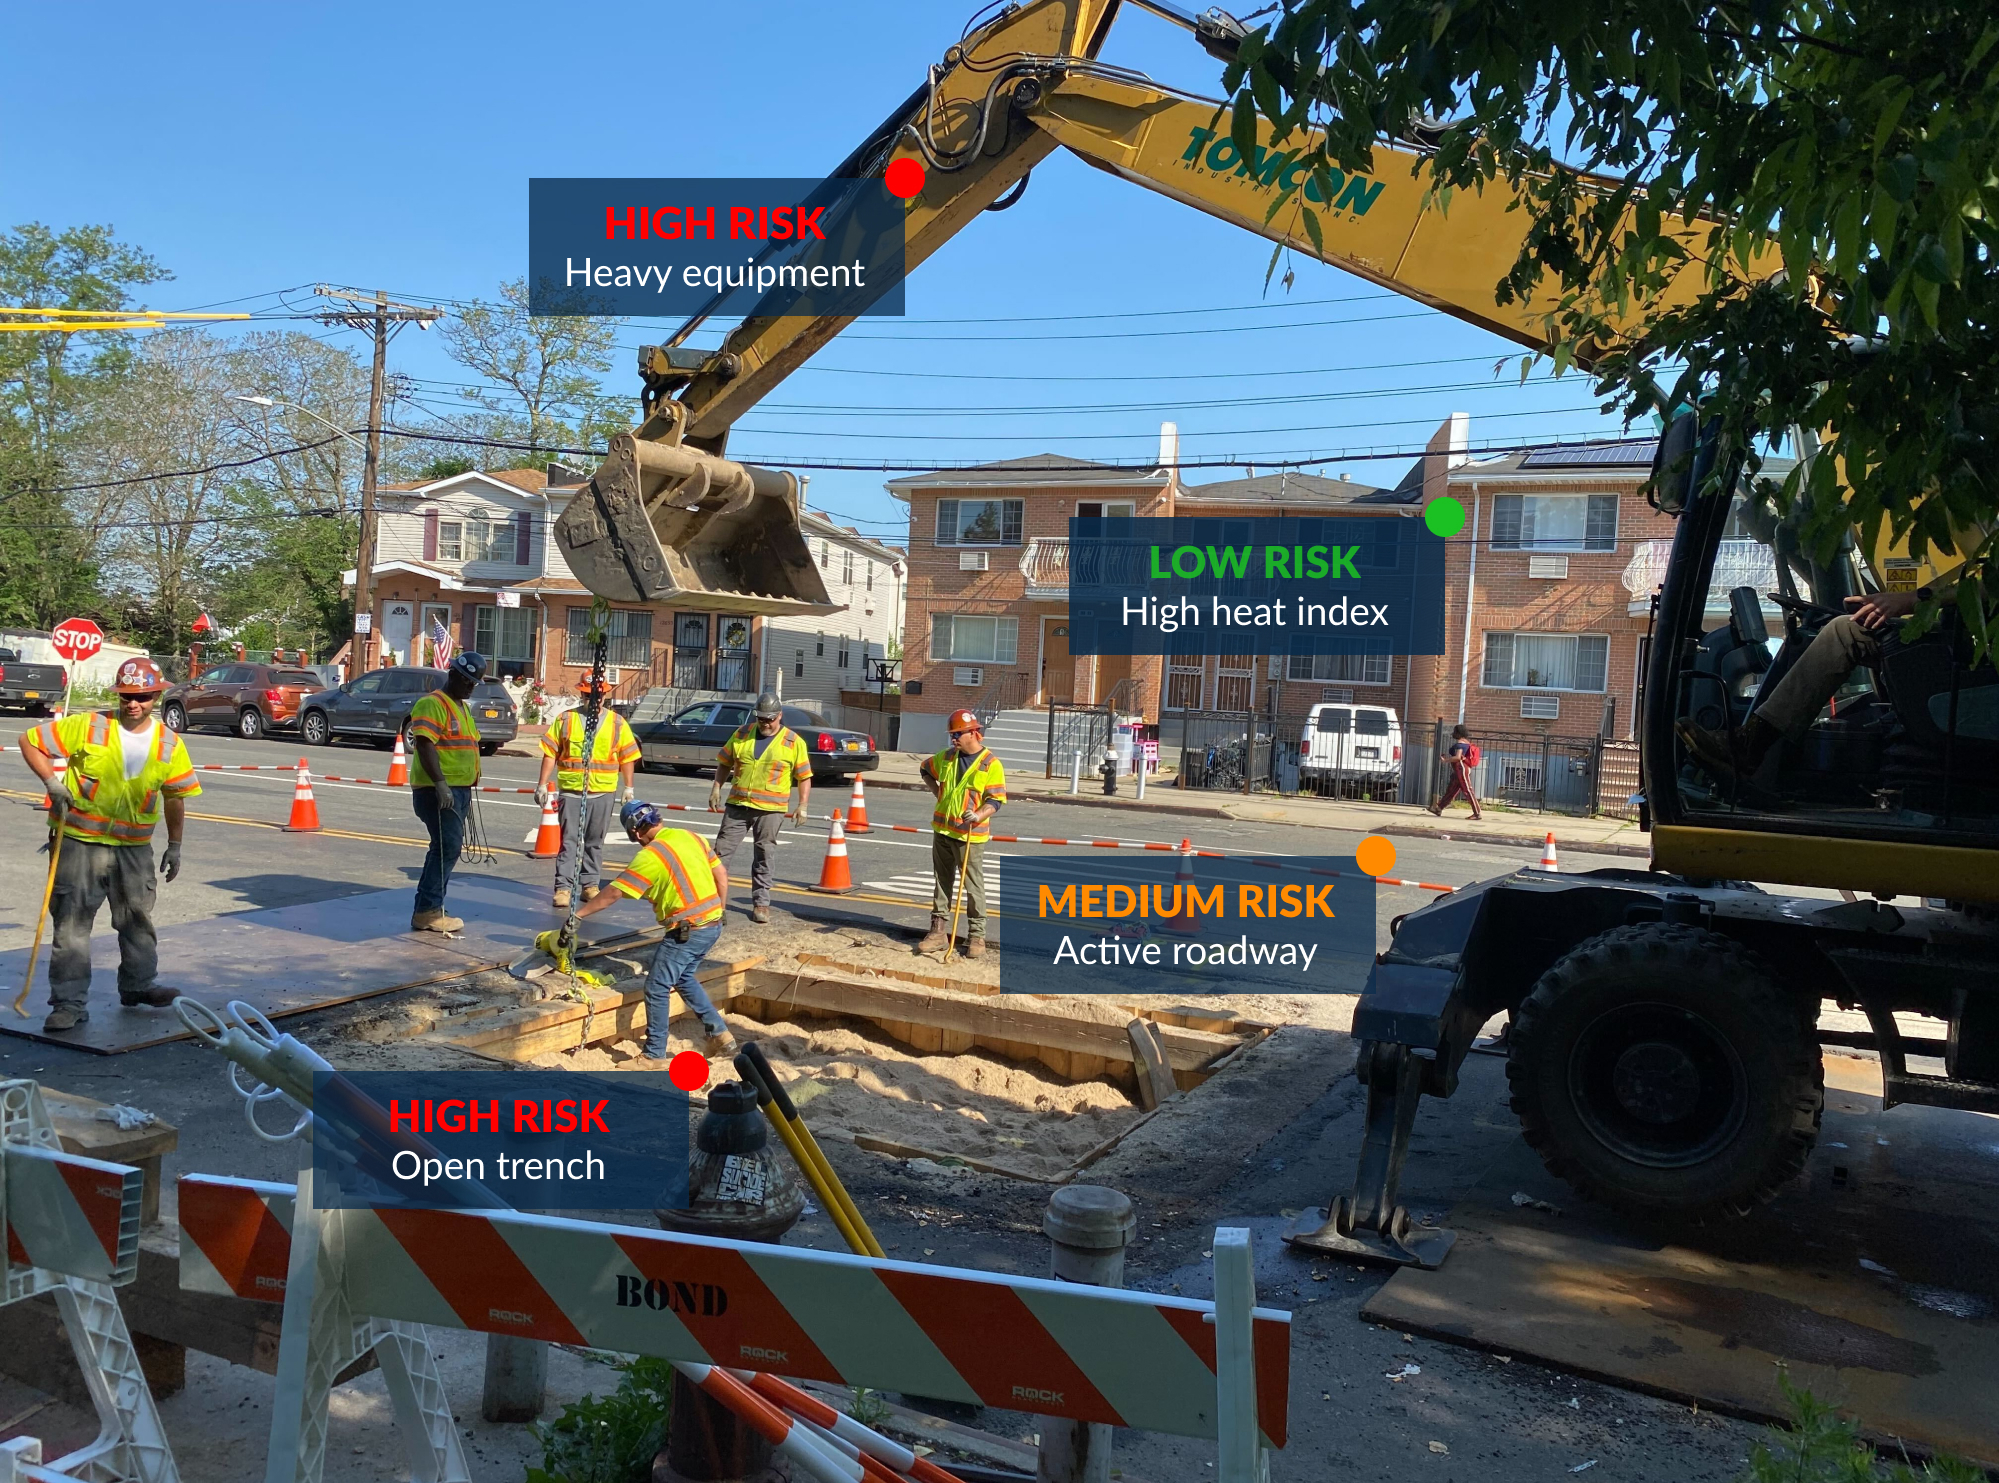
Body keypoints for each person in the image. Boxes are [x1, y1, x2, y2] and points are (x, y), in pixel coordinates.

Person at [17, 657, 200, 1033]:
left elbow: (175, 796)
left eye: (143, 697)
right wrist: (51, 781)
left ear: (157, 697)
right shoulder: (88, 726)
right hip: (79, 843)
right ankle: (68, 1004)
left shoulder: (169, 742)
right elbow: (29, 741)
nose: (134, 704)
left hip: (133, 849)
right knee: (72, 925)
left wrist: (175, 845)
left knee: (136, 920)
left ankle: (138, 986)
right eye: (127, 696)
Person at [1677, 587, 1927, 780]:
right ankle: (1751, 744)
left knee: (1844, 631)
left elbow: (1965, 584)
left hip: (1953, 648)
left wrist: (1910, 598)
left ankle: (1749, 745)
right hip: (1947, 638)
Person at [571, 799, 735, 1059]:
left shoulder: (650, 856)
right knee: (683, 977)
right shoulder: (691, 836)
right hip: (712, 925)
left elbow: (613, 893)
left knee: (657, 987)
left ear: (636, 832)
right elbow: (722, 877)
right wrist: (718, 913)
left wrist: (578, 915)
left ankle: (653, 1055)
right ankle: (719, 1033)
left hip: (686, 930)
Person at [535, 675, 640, 909]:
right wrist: (543, 783)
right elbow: (550, 752)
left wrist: (628, 787)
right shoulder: (566, 719)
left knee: (595, 842)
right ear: (581, 695)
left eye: (598, 695)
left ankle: (590, 885)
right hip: (572, 791)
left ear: (604, 695)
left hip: (603, 791)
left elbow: (627, 757)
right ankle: (563, 887)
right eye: (588, 695)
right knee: (569, 842)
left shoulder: (617, 723)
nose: (594, 699)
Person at [710, 692, 811, 925]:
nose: (765, 723)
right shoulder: (741, 734)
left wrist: (802, 805)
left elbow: (804, 776)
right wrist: (716, 788)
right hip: (738, 805)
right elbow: (724, 763)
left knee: (764, 854)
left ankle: (761, 904)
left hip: (771, 809)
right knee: (720, 854)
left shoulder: (793, 742)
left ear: (779, 716)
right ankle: (714, 903)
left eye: (770, 719)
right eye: (761, 719)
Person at [918, 709, 1006, 958]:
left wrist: (978, 815)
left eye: (958, 734)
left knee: (973, 885)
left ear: (973, 733)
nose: (953, 739)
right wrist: (939, 794)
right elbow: (925, 769)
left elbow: (996, 800)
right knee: (941, 883)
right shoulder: (946, 758)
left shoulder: (991, 764)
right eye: (952, 734)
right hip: (943, 830)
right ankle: (937, 932)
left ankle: (977, 936)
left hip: (970, 836)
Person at [407, 651, 485, 933]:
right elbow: (425, 745)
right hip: (438, 790)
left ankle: (431, 907)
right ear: (452, 674)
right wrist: (440, 783)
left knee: (445, 848)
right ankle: (427, 910)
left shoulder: (461, 707)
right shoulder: (432, 704)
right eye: (466, 681)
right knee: (446, 847)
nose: (469, 687)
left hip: (458, 790)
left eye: (473, 683)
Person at [1429, 724, 1483, 820]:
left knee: (1468, 790)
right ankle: (1438, 808)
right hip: (1461, 769)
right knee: (1452, 789)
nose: (1453, 734)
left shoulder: (1460, 743)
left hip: (1461, 768)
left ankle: (1477, 813)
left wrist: (1445, 760)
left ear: (1458, 733)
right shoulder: (1466, 742)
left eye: (1454, 732)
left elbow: (1458, 757)